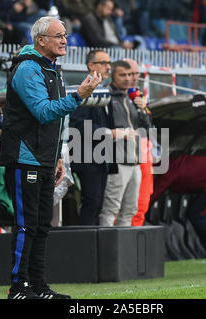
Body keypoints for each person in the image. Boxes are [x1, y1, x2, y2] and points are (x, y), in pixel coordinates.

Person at [0, 16, 102, 299]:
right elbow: (44, 112)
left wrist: (57, 157)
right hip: (24, 158)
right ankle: (18, 289)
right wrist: (80, 94)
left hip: (44, 158)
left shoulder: (53, 70)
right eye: (58, 36)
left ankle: (39, 286)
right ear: (40, 40)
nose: (65, 40)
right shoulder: (28, 70)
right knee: (25, 224)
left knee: (43, 225)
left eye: (65, 35)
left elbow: (56, 122)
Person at [151, 153, 206, 259]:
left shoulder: (168, 169)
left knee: (199, 214)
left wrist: (139, 208)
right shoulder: (174, 163)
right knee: (198, 214)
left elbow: (156, 191)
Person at [99, 60, 151, 227]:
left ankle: (123, 250)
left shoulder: (133, 97)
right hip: (117, 162)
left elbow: (147, 128)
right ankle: (107, 249)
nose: (128, 78)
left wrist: (143, 109)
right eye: (123, 75)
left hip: (135, 162)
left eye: (130, 74)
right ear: (113, 76)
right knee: (111, 209)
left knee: (130, 209)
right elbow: (98, 129)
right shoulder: (105, 96)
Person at [69, 49, 111, 225]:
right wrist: (108, 133)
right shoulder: (84, 89)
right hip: (87, 158)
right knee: (91, 203)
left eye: (109, 63)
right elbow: (78, 124)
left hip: (101, 158)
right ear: (91, 66)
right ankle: (86, 248)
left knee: (98, 205)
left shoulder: (101, 89)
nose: (108, 67)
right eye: (103, 63)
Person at [123, 58, 154, 227]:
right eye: (129, 73)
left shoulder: (138, 97)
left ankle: (134, 244)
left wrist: (143, 109)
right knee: (122, 206)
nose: (134, 77)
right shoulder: (113, 96)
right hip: (124, 157)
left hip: (144, 158)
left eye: (136, 73)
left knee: (141, 204)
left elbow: (149, 128)